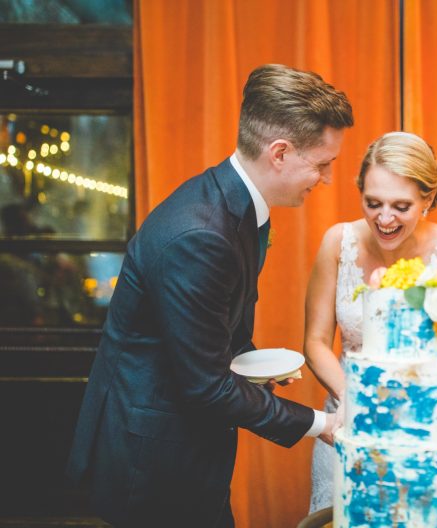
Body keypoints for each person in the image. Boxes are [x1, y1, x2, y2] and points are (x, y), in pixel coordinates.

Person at [65, 64, 354, 527]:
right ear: (279, 153)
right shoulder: (202, 233)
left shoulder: (233, 204)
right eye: (322, 164)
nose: (325, 179)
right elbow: (204, 386)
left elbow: (217, 332)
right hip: (154, 456)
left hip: (184, 442)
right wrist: (321, 425)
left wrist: (253, 366)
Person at [303, 131, 437, 512]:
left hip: (423, 437)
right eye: (373, 203)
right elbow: (316, 341)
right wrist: (352, 396)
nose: (384, 219)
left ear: (428, 199)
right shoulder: (338, 242)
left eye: (401, 206)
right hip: (347, 424)